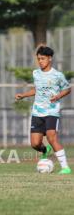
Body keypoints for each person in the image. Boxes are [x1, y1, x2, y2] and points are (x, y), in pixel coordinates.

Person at [15, 46, 71, 174]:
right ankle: (45, 151)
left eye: (43, 58)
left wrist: (58, 96)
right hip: (37, 112)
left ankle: (65, 167)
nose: (40, 61)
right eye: (39, 59)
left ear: (50, 59)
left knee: (52, 138)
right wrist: (23, 95)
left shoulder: (58, 75)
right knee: (35, 144)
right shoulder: (36, 73)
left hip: (52, 111)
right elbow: (37, 90)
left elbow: (67, 89)